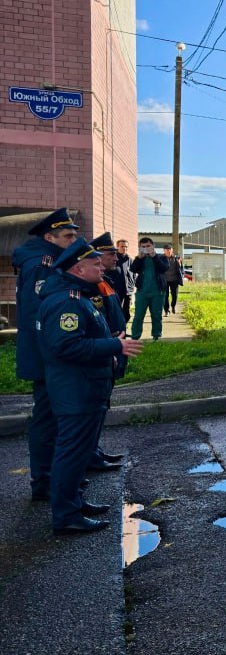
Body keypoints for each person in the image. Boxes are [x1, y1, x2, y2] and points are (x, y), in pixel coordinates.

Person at [38, 237, 144, 534]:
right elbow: (67, 346)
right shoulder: (66, 302)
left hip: (85, 388)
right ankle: (66, 515)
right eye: (95, 264)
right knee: (70, 454)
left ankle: (74, 502)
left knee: (78, 453)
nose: (101, 267)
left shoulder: (78, 295)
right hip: (76, 390)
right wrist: (114, 345)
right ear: (78, 269)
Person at [13, 208, 80, 504]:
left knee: (54, 417)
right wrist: (55, 353)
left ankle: (56, 475)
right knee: (46, 418)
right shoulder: (43, 262)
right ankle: (44, 481)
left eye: (75, 234)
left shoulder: (52, 258)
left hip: (49, 353)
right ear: (49, 237)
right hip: (46, 354)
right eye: (68, 235)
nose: (73, 240)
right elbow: (34, 314)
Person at [86, 233, 129, 471]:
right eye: (110, 253)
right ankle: (90, 454)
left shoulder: (105, 281)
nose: (115, 257)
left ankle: (94, 450)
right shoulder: (92, 286)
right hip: (105, 351)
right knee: (95, 406)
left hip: (112, 349)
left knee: (103, 404)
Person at [128, 237, 169, 341]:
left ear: (153, 246)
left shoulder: (161, 257)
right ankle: (135, 336)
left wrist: (154, 256)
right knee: (138, 315)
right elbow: (133, 269)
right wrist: (139, 258)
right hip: (142, 292)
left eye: (148, 246)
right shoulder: (140, 259)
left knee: (156, 315)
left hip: (158, 292)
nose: (146, 248)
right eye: (143, 247)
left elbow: (163, 268)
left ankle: (156, 336)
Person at [114, 238, 135, 320]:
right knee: (116, 311)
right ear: (117, 246)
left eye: (126, 247)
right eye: (122, 246)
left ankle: (124, 329)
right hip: (116, 290)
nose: (124, 248)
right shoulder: (113, 259)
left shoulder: (130, 260)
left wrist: (132, 285)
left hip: (128, 290)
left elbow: (133, 275)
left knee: (126, 312)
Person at [162, 245, 183, 316]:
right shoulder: (160, 258)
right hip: (164, 280)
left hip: (174, 280)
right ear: (164, 251)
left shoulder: (176, 258)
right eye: (166, 250)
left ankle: (173, 306)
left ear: (172, 250)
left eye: (169, 249)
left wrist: (182, 274)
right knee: (165, 296)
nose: (168, 251)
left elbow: (181, 269)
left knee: (175, 295)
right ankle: (166, 310)